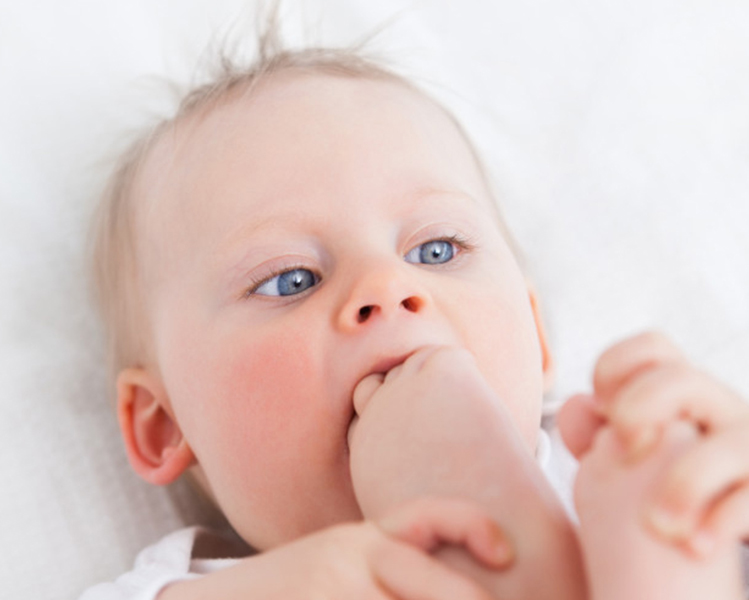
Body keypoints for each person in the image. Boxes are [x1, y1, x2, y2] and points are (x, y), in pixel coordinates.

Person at [82, 19, 749, 600]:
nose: (386, 286)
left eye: (434, 249)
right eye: (290, 280)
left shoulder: (608, 468)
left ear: (536, 339)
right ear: (165, 423)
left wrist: (720, 487)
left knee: (675, 523)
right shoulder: (212, 585)